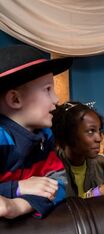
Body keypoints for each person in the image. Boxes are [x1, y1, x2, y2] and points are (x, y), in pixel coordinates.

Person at [0, 44, 72, 218]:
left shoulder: (45, 137)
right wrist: (18, 187)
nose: (56, 99)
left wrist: (21, 205)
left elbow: (60, 184)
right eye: (48, 89)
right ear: (15, 99)